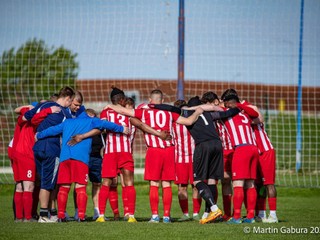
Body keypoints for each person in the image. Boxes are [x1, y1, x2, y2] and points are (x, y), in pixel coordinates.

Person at [107, 89, 203, 223]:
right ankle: (167, 216)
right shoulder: (170, 112)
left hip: (154, 151)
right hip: (169, 150)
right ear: (162, 101)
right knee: (167, 184)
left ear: (150, 101)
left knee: (154, 184)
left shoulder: (145, 111)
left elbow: (124, 111)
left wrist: (110, 106)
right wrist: (198, 111)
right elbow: (188, 122)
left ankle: (155, 216)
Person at [35, 109, 129, 222]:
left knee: (64, 188)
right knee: (80, 188)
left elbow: (53, 130)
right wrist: (122, 128)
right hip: (80, 159)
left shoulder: (68, 122)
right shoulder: (90, 121)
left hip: (65, 158)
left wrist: (39, 135)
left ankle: (60, 216)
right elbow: (106, 124)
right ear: (88, 115)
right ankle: (80, 216)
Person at [24, 86, 75, 223]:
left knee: (44, 182)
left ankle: (49, 214)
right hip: (51, 149)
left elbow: (26, 117)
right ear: (68, 99)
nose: (70, 105)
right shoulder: (65, 114)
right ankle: (44, 215)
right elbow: (70, 130)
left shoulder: (44, 105)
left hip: (37, 148)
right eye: (71, 102)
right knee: (48, 183)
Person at [219, 91, 260, 224]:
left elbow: (214, 109)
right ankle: (250, 216)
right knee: (250, 184)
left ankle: (236, 217)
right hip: (253, 149)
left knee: (238, 184)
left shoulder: (227, 113)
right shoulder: (245, 113)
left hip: (241, 149)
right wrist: (241, 105)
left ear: (229, 103)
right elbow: (256, 114)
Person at [201, 91, 233, 221]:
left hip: (231, 150)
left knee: (230, 181)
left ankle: (230, 214)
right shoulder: (208, 114)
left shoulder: (226, 111)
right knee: (212, 181)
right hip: (217, 150)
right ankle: (210, 211)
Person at [171, 100, 201, 222]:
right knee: (182, 187)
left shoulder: (194, 120)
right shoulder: (172, 123)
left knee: (196, 186)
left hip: (195, 158)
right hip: (180, 159)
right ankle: (185, 213)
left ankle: (195, 213)